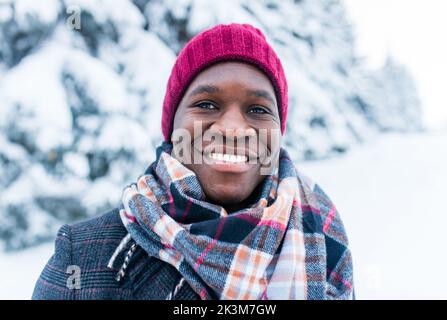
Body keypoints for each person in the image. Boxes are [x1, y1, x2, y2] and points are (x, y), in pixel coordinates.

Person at [33, 23, 354, 300]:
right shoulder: (83, 255)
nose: (232, 128)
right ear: (173, 127)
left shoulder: (324, 237)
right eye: (207, 104)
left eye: (258, 110)